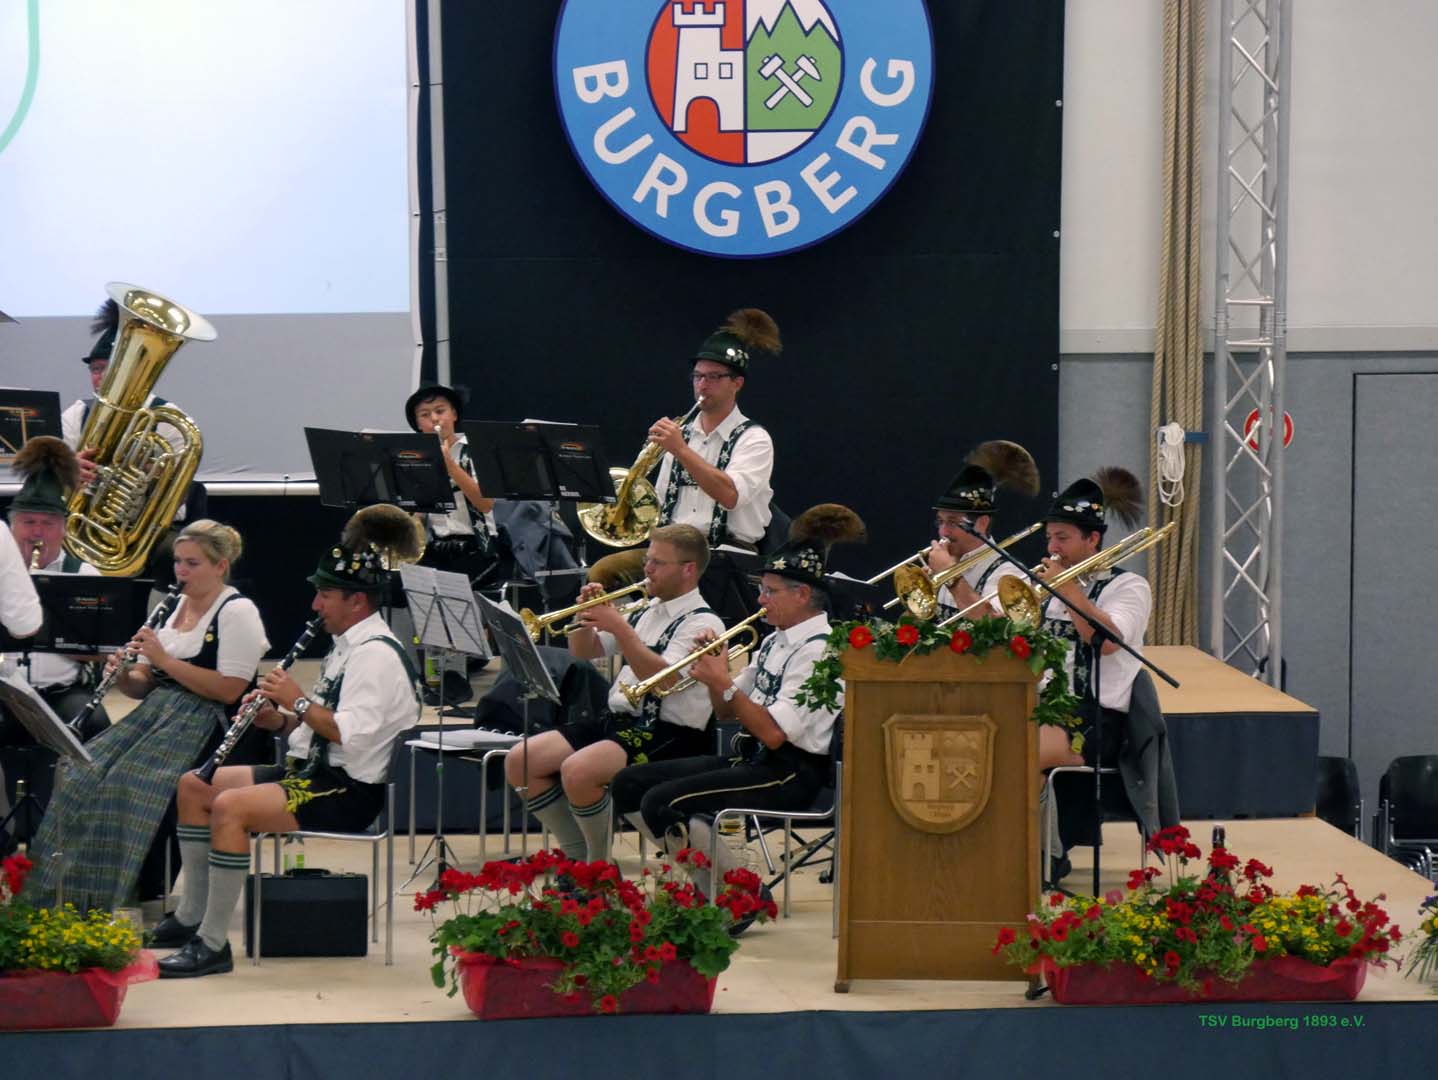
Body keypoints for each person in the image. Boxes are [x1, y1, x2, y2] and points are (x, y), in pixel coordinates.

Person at [151, 506, 423, 978]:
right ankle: (190, 914)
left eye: (325, 595)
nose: (315, 605)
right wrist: (277, 721)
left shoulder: (376, 656)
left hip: (346, 791)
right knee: (194, 785)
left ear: (357, 601)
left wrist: (296, 700)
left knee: (230, 807)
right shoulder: (347, 645)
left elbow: (347, 733)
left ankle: (212, 944)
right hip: (312, 771)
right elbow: (318, 726)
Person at [610, 504, 864, 927]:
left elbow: (775, 734)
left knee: (662, 802)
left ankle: (739, 894)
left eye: (770, 592)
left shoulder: (821, 650)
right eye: (761, 590)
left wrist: (723, 683)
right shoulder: (774, 641)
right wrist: (716, 675)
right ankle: (714, 884)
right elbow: (727, 713)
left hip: (790, 772)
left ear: (802, 595)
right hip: (752, 757)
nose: (760, 601)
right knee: (629, 783)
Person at [23, 520, 268, 912]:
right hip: (160, 715)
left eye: (192, 563)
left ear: (220, 566)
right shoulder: (172, 608)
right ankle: (71, 890)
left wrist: (164, 660)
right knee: (81, 769)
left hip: (210, 723)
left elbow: (229, 689)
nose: (181, 571)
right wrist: (121, 671)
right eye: (178, 562)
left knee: (128, 782)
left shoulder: (238, 611)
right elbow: (141, 685)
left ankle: (131, 889)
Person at [504, 523, 724, 863]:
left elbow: (663, 682)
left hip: (670, 732)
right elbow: (584, 652)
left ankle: (598, 869)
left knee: (579, 771)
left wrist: (619, 627)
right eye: (647, 559)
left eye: (658, 563)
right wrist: (583, 618)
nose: (647, 569)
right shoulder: (647, 608)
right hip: (622, 720)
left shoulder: (703, 623)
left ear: (688, 570)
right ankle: (577, 858)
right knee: (522, 760)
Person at [589, 309, 779, 620]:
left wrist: (680, 450)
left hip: (724, 554)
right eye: (698, 376)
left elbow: (730, 495)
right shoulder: (682, 434)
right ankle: (622, 641)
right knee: (602, 573)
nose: (703, 385)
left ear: (737, 383)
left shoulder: (754, 439)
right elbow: (659, 506)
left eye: (714, 377)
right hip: (672, 552)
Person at [0, 437, 109, 742]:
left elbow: (103, 651)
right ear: (12, 526)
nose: (37, 532)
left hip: (62, 692)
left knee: (96, 724)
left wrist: (61, 637)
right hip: (4, 691)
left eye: (48, 523)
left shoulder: (85, 574)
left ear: (63, 528)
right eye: (28, 522)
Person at [920, 440, 1039, 621]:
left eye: (953, 522)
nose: (943, 532)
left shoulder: (1009, 574)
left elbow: (996, 626)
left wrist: (950, 576)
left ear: (982, 523)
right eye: (940, 522)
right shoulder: (947, 562)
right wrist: (923, 594)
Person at [403, 383, 503, 586]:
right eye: (425, 415)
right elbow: (421, 514)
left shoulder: (475, 451)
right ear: (418, 424)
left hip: (478, 549)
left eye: (440, 411)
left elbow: (485, 504)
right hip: (437, 548)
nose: (434, 419)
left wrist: (450, 466)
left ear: (454, 414)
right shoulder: (417, 460)